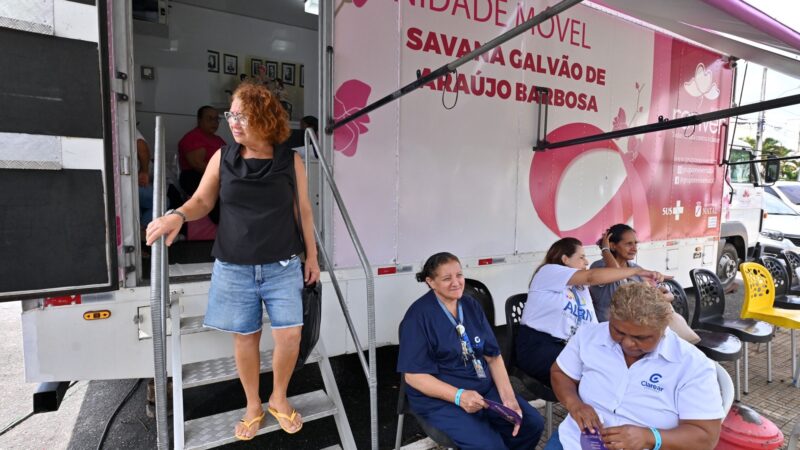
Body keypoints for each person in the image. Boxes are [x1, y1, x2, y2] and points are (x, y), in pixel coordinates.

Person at [146, 81, 320, 440]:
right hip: (235, 266)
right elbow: (202, 202)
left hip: (283, 265)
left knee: (290, 336)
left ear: (266, 118)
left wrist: (312, 256)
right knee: (246, 337)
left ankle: (279, 397)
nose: (233, 122)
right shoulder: (222, 157)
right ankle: (254, 404)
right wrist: (177, 215)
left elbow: (303, 210)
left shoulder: (291, 160)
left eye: (243, 115)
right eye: (231, 115)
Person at [545, 282, 725, 450]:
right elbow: (561, 373)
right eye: (618, 331)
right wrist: (575, 404)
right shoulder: (588, 335)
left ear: (663, 329)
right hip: (572, 441)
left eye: (641, 338)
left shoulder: (691, 364)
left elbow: (706, 436)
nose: (628, 343)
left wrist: (649, 437)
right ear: (610, 316)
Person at [397, 252, 544, 450]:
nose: (456, 282)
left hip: (482, 387)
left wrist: (509, 398)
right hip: (443, 399)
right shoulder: (418, 317)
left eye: (459, 275)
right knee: (488, 445)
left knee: (530, 424)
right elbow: (414, 377)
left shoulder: (470, 304)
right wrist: (459, 396)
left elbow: (493, 357)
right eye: (447, 278)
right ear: (430, 282)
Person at [516, 238, 665, 386]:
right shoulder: (548, 272)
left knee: (627, 371)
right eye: (581, 257)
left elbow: (614, 277)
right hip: (540, 347)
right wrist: (637, 271)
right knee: (600, 380)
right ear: (565, 259)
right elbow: (592, 276)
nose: (586, 262)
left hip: (573, 348)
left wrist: (647, 286)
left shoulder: (582, 288)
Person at [590, 224, 700, 343]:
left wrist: (659, 297)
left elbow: (669, 295)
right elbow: (616, 272)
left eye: (635, 243)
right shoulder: (599, 267)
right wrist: (605, 249)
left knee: (666, 313)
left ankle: (689, 344)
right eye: (628, 244)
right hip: (612, 330)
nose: (634, 248)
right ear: (613, 246)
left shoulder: (635, 268)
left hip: (637, 325)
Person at [178, 105, 226, 222]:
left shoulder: (218, 139)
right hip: (195, 176)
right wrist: (222, 177)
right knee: (219, 193)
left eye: (216, 119)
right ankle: (223, 223)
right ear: (199, 120)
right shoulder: (193, 137)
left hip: (217, 175)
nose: (214, 123)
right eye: (209, 119)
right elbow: (198, 165)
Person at [136, 128, 153, 225]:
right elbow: (141, 144)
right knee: (162, 201)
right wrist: (144, 171)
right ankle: (143, 229)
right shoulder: (123, 123)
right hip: (130, 183)